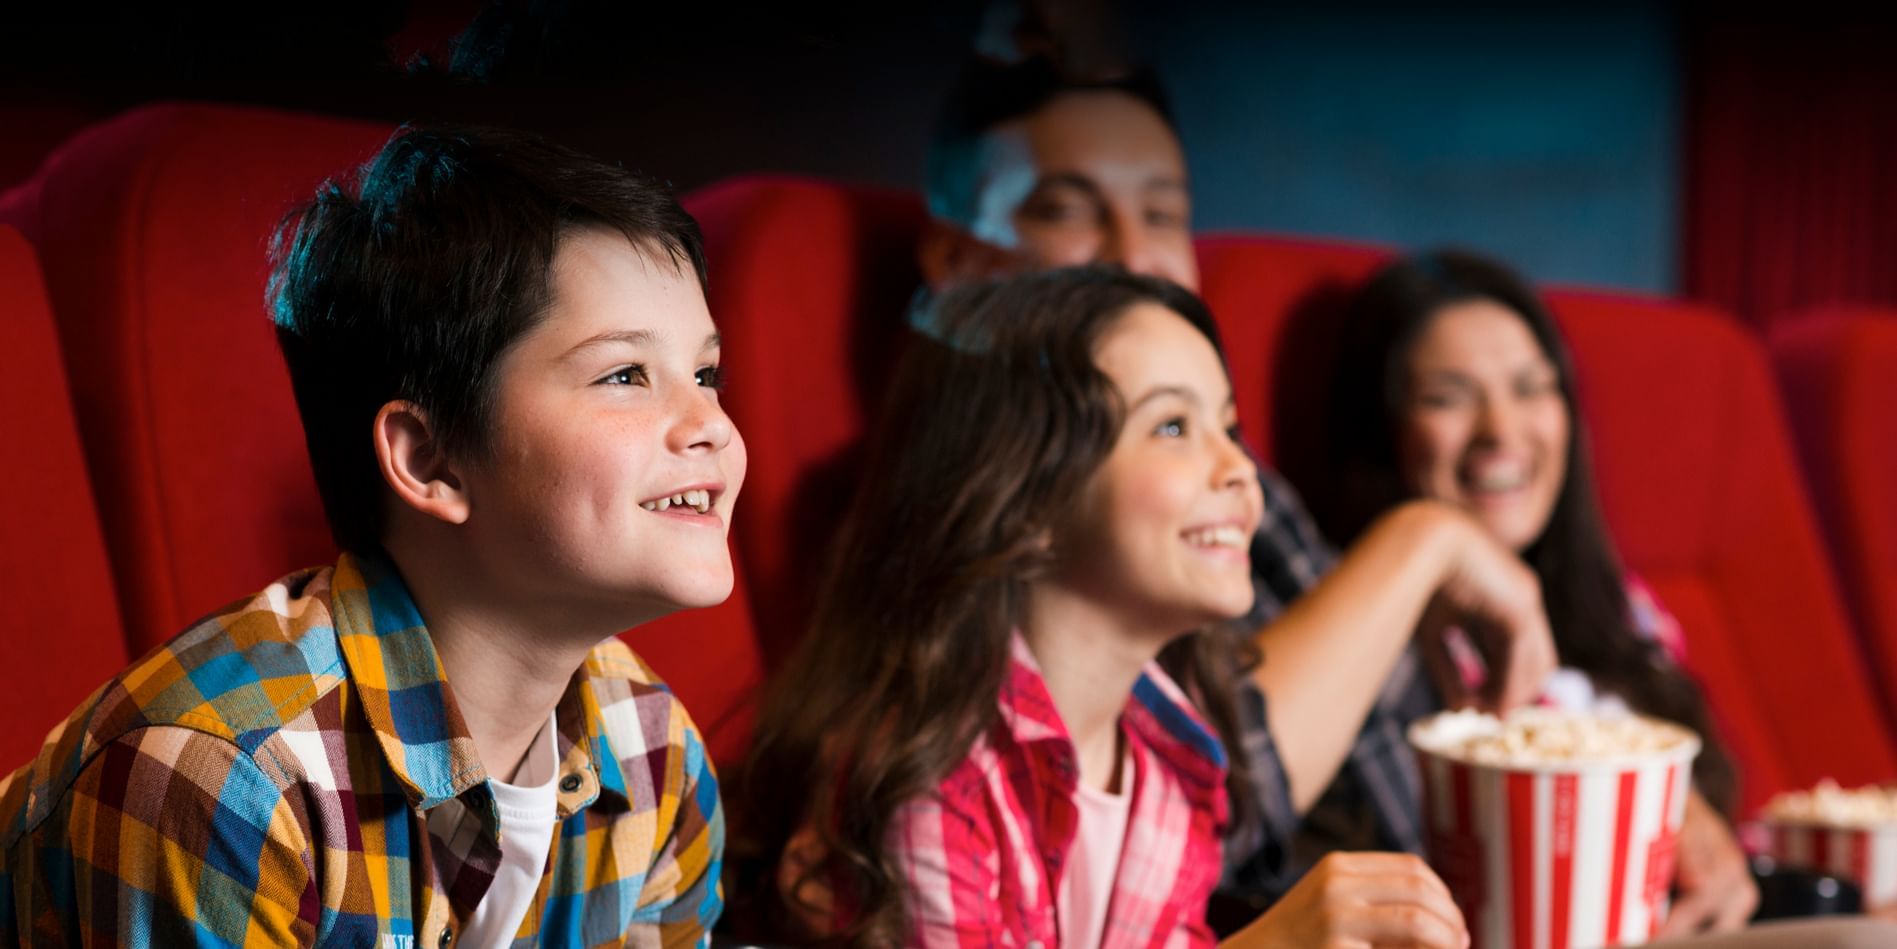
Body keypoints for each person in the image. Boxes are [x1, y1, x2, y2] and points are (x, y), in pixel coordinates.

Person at [0, 126, 737, 946]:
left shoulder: (655, 747)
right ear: (432, 462)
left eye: (705, 373)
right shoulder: (225, 777)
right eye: (625, 374)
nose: (709, 424)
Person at [913, 50, 1558, 907]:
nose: (1133, 255)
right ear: (956, 257)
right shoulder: (951, 503)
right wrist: (1423, 539)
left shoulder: (1231, 483)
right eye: (1068, 209)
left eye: (1162, 215)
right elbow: (1209, 799)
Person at [733, 266, 1470, 947]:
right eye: (1173, 427)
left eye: (1229, 426)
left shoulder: (1177, 761)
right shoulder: (929, 774)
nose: (1239, 468)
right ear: (1026, 499)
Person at [1319, 248, 1758, 934]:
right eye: (1447, 398)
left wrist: (1698, 831)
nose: (1500, 430)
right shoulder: (1360, 638)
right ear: (1382, 433)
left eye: (1530, 387)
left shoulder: (1620, 606)